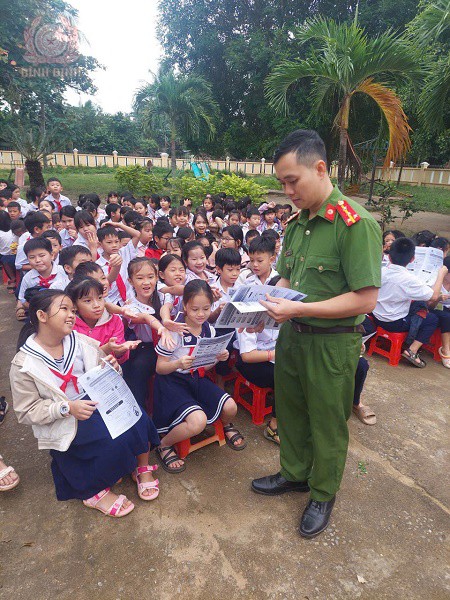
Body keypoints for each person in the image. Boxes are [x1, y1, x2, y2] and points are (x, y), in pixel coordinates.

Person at [250, 129, 382, 539]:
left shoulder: (354, 225)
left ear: (320, 168)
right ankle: (294, 473)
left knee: (326, 421)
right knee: (291, 410)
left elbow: (365, 300)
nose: (287, 190)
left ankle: (323, 491)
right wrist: (269, 304)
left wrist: (299, 308)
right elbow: (289, 275)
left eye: (294, 180)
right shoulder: (297, 223)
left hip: (332, 343)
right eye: (282, 182)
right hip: (292, 336)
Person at [10, 289, 161, 514]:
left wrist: (113, 367)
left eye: (72, 310)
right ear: (42, 316)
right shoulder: (24, 364)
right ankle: (93, 490)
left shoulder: (79, 341)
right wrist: (65, 407)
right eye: (64, 309)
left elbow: (101, 367)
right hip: (64, 415)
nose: (71, 314)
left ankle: (141, 467)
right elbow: (25, 411)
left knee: (136, 416)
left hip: (93, 401)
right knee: (110, 439)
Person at [153, 280, 246, 473]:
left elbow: (206, 365)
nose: (201, 314)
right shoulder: (175, 331)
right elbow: (160, 368)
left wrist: (219, 358)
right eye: (195, 309)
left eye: (206, 308)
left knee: (230, 406)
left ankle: (225, 424)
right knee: (198, 422)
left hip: (196, 378)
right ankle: (164, 444)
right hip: (173, 382)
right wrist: (178, 363)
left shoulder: (209, 329)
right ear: (185, 306)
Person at [372, 237, 446, 367]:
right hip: (394, 322)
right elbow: (434, 297)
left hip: (376, 315)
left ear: (389, 257)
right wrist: (441, 273)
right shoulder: (409, 279)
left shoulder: (381, 271)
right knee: (432, 319)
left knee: (418, 306)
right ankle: (412, 350)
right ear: (412, 259)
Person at [121, 258, 174, 409]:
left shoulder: (163, 294)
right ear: (130, 281)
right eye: (140, 278)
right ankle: (138, 408)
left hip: (170, 342)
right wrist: (160, 327)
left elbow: (168, 306)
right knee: (139, 367)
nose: (146, 282)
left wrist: (165, 320)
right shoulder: (131, 305)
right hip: (148, 345)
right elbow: (143, 318)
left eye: (150, 277)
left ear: (157, 277)